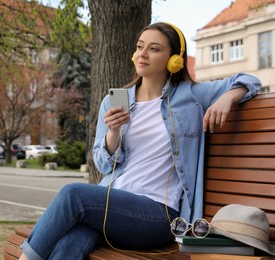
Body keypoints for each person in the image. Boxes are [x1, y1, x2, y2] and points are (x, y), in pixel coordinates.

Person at [19, 22, 261, 260]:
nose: (142, 54)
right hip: (113, 207)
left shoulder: (191, 97)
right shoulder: (115, 101)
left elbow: (249, 80)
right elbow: (103, 165)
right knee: (74, 238)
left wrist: (227, 98)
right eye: (140, 46)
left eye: (154, 49)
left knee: (73, 194)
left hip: (158, 215)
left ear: (173, 60)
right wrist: (113, 133)